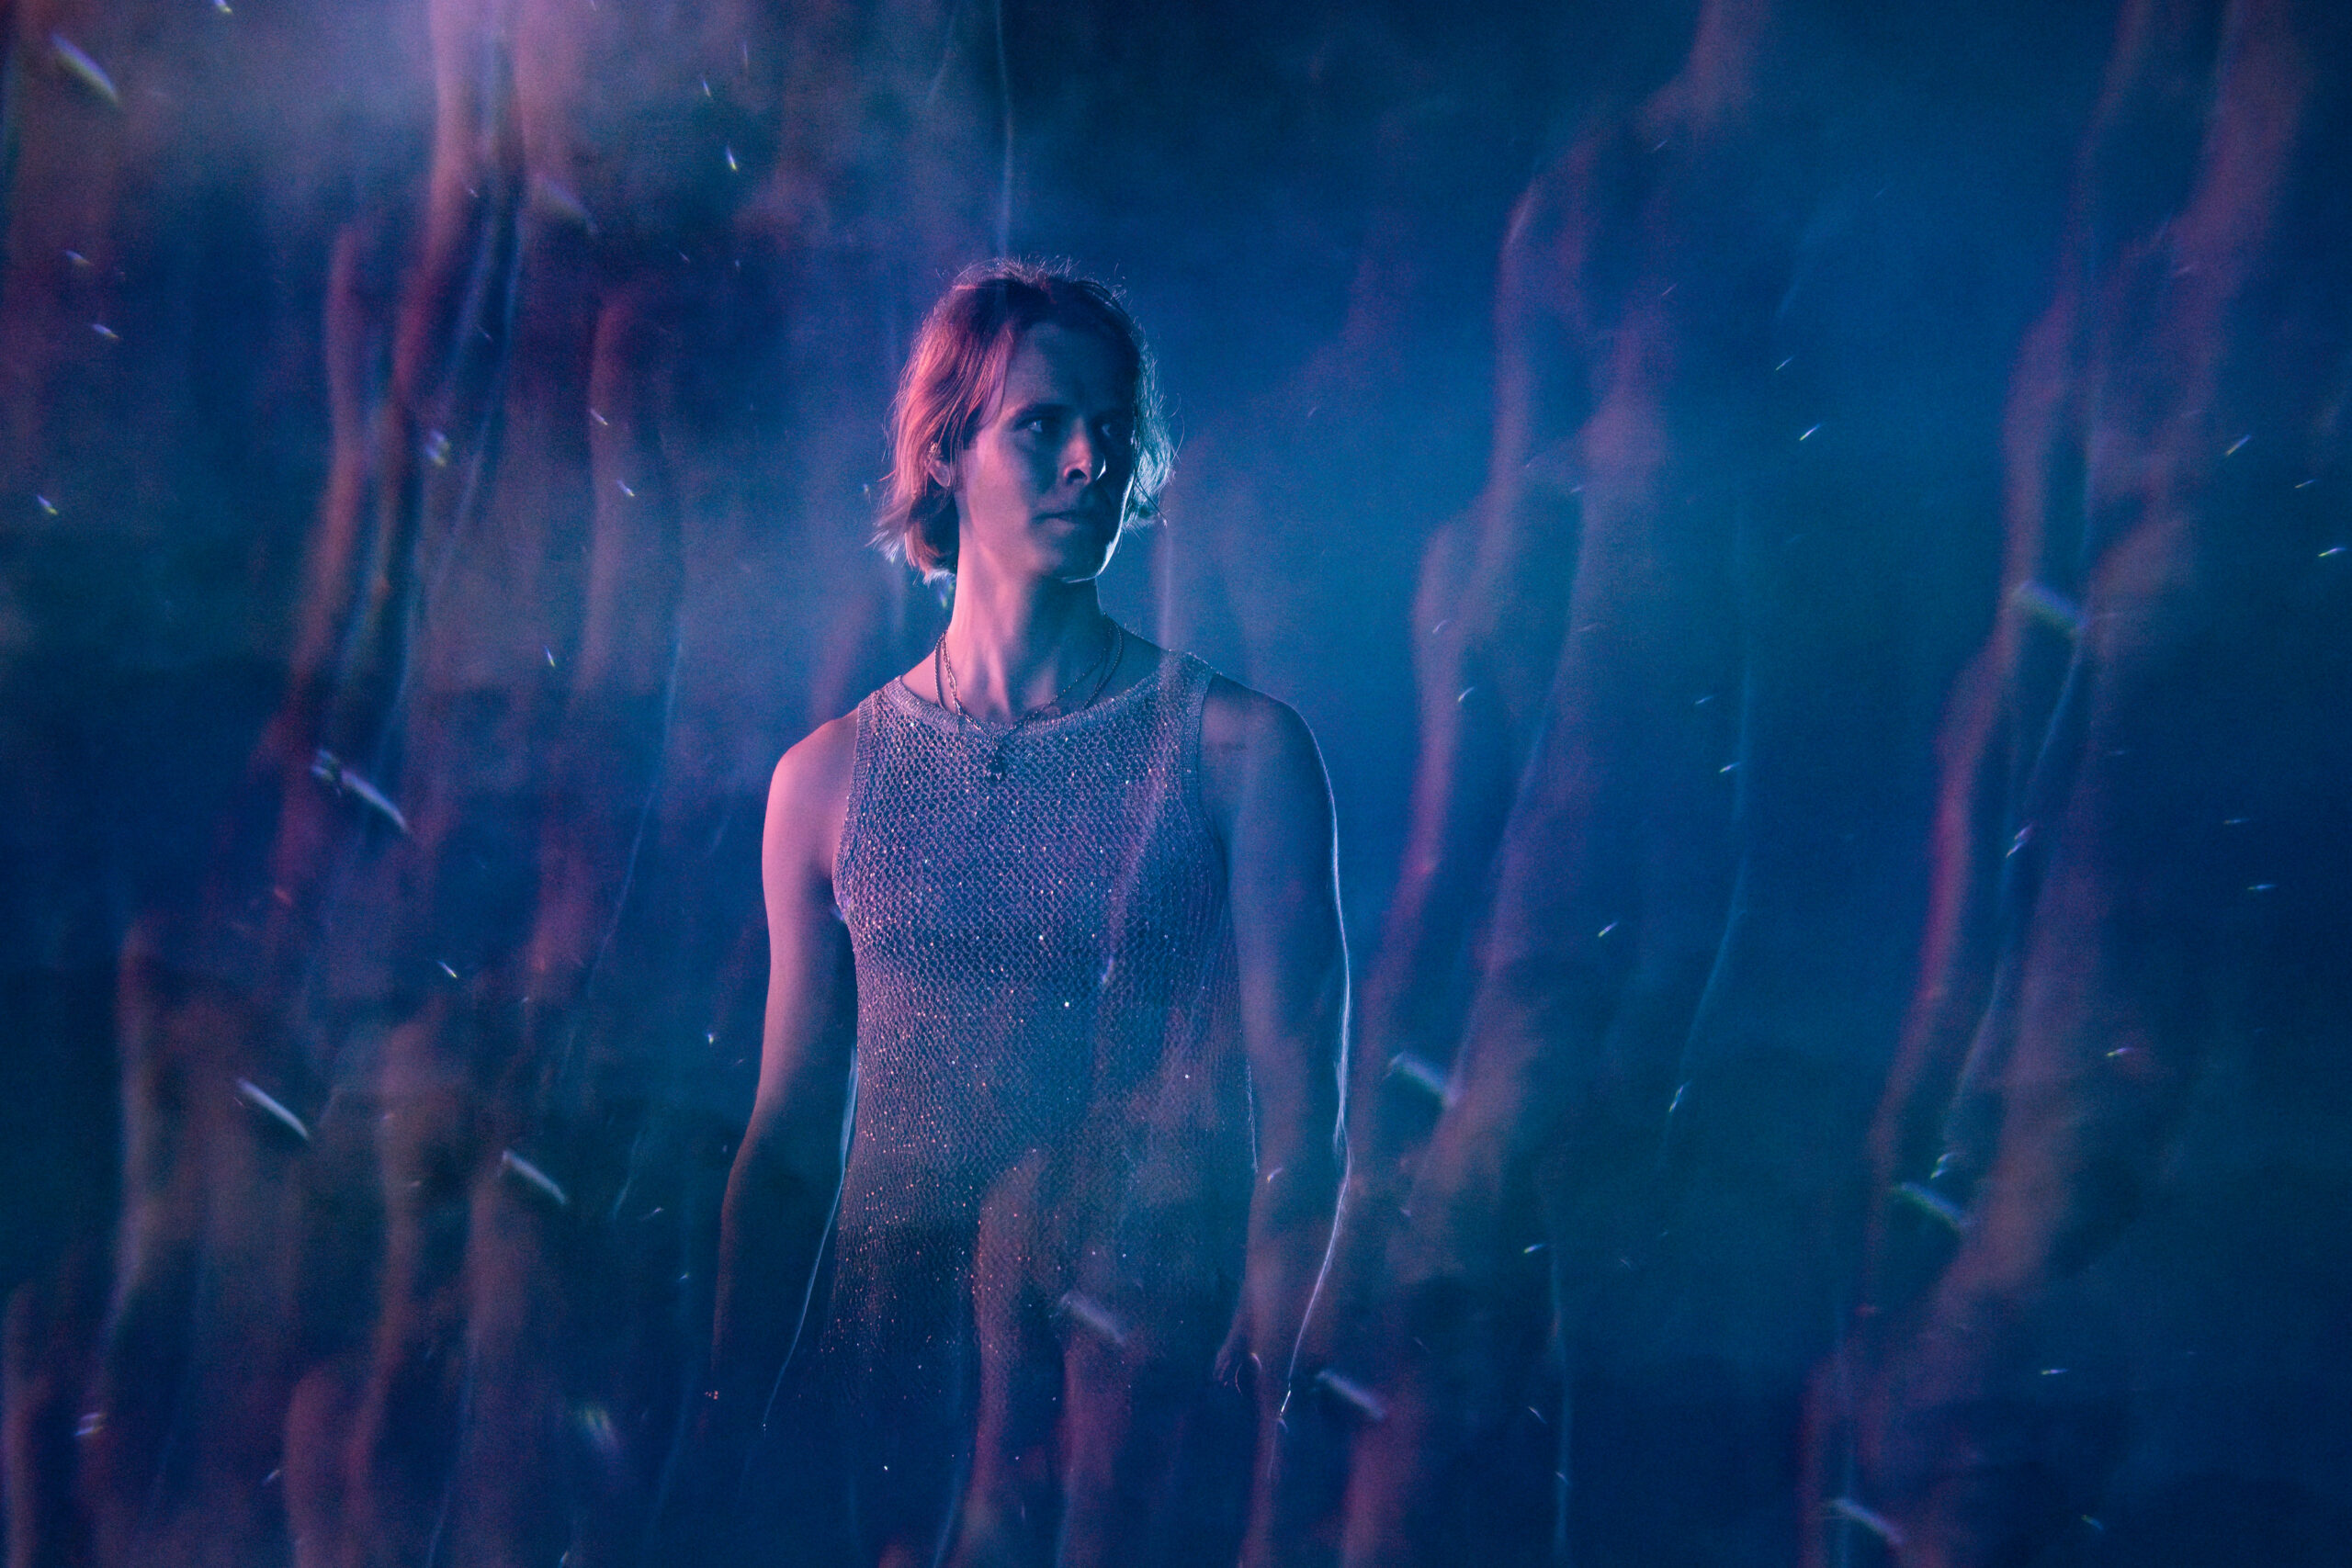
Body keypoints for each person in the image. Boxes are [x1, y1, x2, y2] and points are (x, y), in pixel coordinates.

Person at [707, 260, 1348, 1568]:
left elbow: (1305, 1117)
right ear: (946, 451)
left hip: (1128, 1372)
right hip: (889, 1391)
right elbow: (789, 1138)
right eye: (1041, 424)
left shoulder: (1237, 754)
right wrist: (726, 1425)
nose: (1088, 461)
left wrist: (1265, 1408)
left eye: (1111, 427)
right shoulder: (826, 781)